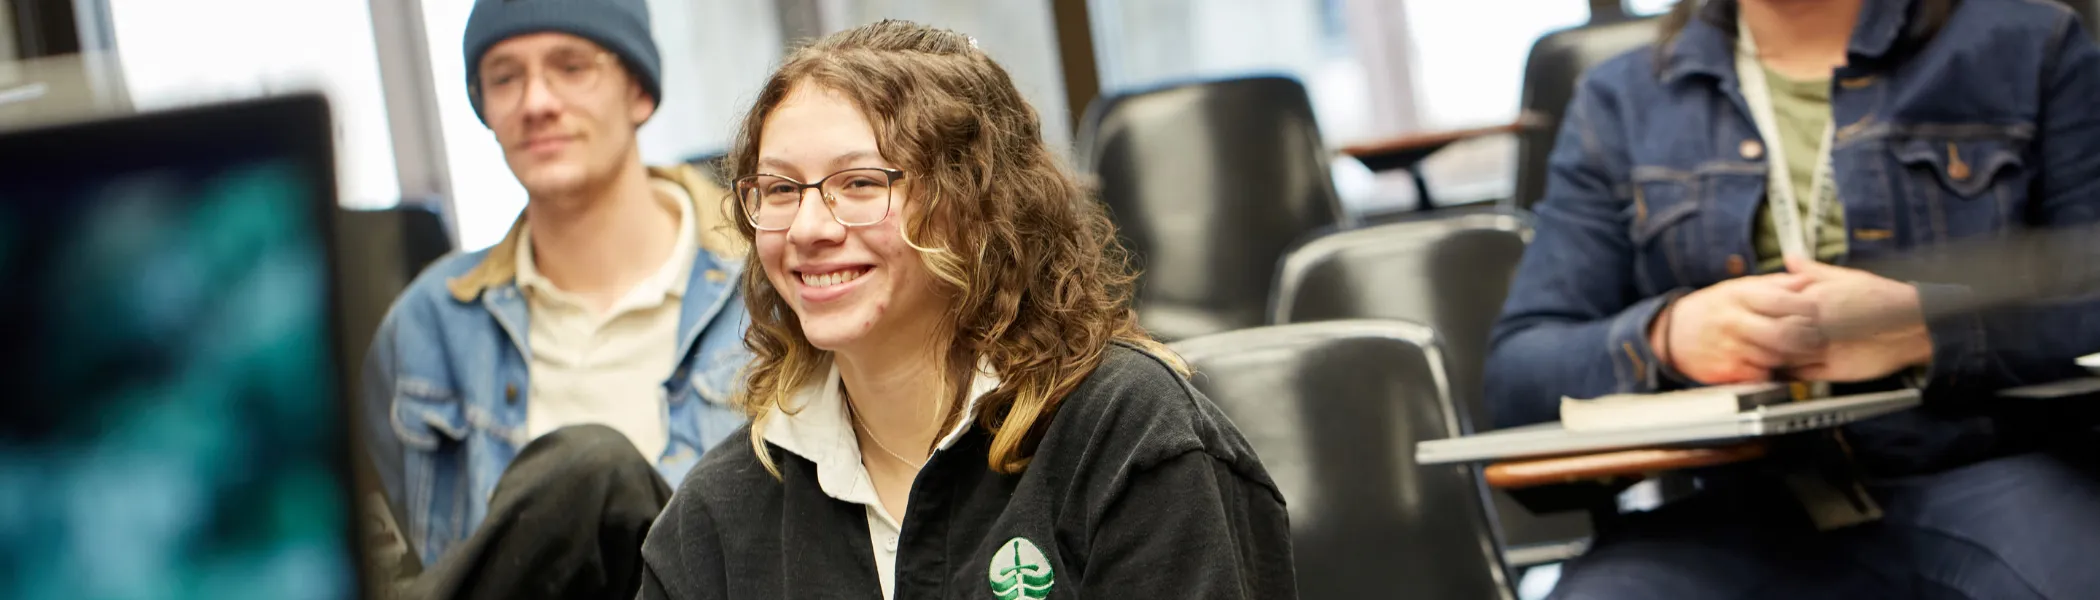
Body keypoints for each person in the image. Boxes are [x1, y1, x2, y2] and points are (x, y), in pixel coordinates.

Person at [635, 20, 1298, 600]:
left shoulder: (1127, 437)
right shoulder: (720, 514)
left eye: (860, 183)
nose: (808, 227)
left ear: (974, 207)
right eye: (780, 189)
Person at [1485, 0, 2100, 597]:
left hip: (1979, 468)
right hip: (1737, 504)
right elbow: (1521, 374)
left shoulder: (2030, 43)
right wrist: (1666, 337)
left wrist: (1924, 329)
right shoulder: (1621, 99)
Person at [357, 0, 751, 595]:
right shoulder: (427, 325)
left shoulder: (769, 287)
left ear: (639, 93)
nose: (536, 103)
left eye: (571, 67)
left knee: (595, 470)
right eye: (505, 77)